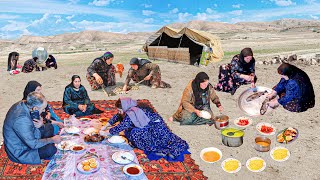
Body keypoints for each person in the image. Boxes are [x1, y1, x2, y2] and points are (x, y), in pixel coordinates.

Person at [100, 97, 189, 162]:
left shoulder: (132, 112)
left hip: (156, 131)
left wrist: (107, 132)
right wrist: (106, 125)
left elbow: (121, 126)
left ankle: (146, 144)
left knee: (134, 132)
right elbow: (118, 116)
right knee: (129, 129)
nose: (119, 112)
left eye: (120, 110)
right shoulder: (130, 107)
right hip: (151, 127)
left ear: (124, 108)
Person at [3, 92, 61, 164]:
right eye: (43, 109)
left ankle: (46, 145)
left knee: (49, 126)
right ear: (35, 108)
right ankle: (43, 152)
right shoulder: (21, 120)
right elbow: (33, 144)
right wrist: (51, 140)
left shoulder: (24, 103)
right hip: (22, 150)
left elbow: (32, 127)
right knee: (51, 149)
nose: (43, 111)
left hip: (28, 135)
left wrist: (41, 124)